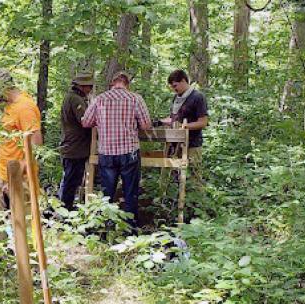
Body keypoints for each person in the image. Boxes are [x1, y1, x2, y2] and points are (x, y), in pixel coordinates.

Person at [81, 70, 153, 224]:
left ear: (112, 83)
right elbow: (146, 125)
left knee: (107, 193)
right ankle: (130, 227)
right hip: (129, 152)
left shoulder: (100, 99)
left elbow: (85, 122)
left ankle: (105, 226)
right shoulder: (135, 99)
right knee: (130, 192)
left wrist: (100, 121)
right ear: (127, 84)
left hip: (106, 152)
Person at [0, 70, 42, 222]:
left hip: (21, 176)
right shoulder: (9, 106)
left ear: (1, 87)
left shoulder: (25, 108)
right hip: (2, 172)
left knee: (24, 223)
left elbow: (36, 144)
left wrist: (18, 174)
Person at [159, 69, 209, 198]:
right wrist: (162, 122)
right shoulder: (176, 98)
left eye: (175, 85)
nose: (173, 89)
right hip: (175, 144)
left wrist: (185, 126)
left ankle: (197, 202)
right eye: (171, 86)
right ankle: (174, 200)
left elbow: (203, 122)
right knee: (174, 174)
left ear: (183, 81)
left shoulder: (197, 97)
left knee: (193, 175)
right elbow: (174, 118)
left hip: (192, 144)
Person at [58, 73, 94, 211]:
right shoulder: (75, 99)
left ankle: (65, 207)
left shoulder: (73, 97)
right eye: (89, 86)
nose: (90, 89)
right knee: (71, 181)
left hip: (74, 146)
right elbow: (85, 121)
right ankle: (65, 209)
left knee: (71, 179)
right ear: (82, 86)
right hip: (74, 147)